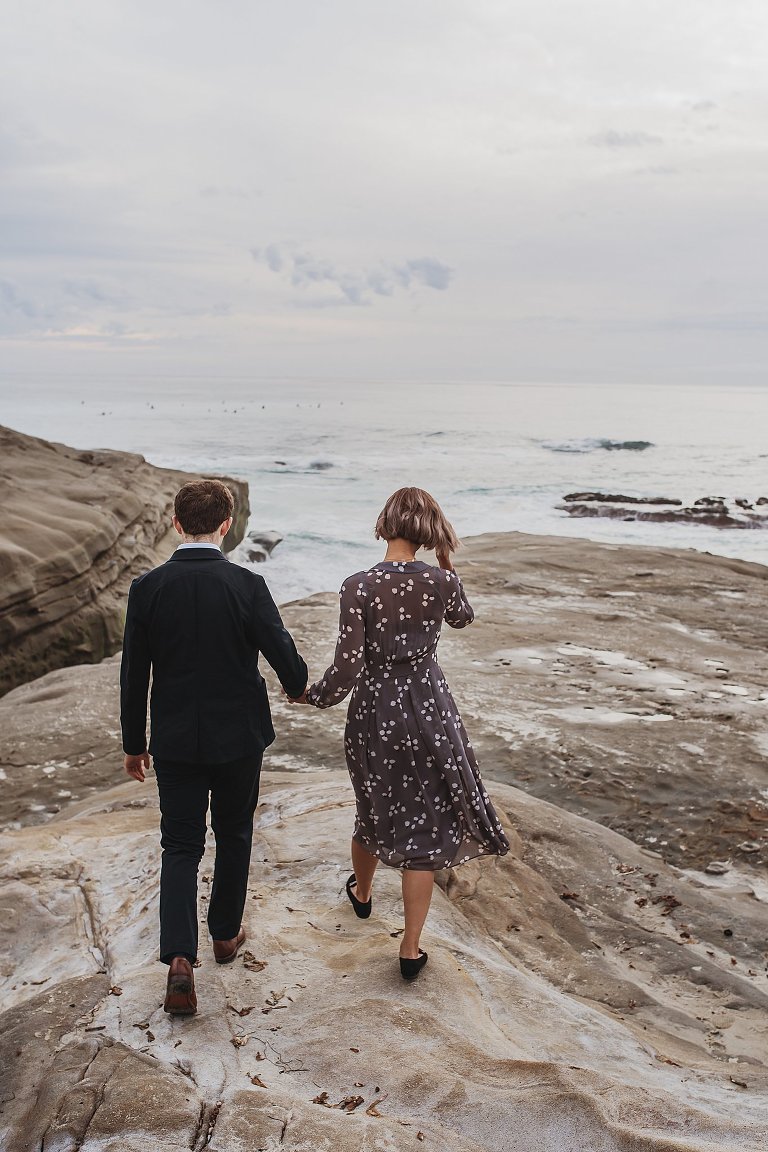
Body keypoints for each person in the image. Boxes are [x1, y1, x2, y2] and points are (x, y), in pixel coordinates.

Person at [290, 487, 508, 980]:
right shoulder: (440, 582)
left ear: (385, 524)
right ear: (429, 533)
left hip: (375, 710)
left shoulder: (358, 585)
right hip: (430, 708)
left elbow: (347, 666)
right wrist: (446, 562)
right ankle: (410, 950)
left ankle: (362, 894)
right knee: (426, 826)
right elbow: (464, 618)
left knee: (373, 803)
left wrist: (313, 695)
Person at [120, 479, 307, 1016]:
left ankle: (180, 958)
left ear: (176, 524)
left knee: (179, 846)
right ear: (226, 526)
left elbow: (134, 675)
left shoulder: (147, 588)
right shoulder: (247, 584)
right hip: (238, 737)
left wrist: (135, 744)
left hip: (175, 739)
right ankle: (224, 935)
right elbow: (282, 652)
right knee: (234, 830)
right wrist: (297, 686)